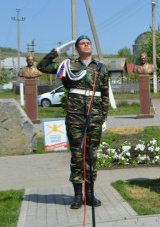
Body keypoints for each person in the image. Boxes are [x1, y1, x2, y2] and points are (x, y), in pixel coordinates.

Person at [37, 35, 109, 209]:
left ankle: (90, 194)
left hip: (94, 117)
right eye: (82, 44)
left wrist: (104, 118)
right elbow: (42, 66)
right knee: (77, 155)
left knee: (91, 155)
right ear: (76, 49)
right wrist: (57, 51)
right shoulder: (68, 65)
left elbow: (105, 95)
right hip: (75, 117)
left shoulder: (101, 68)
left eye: (88, 43)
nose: (86, 45)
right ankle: (78, 196)